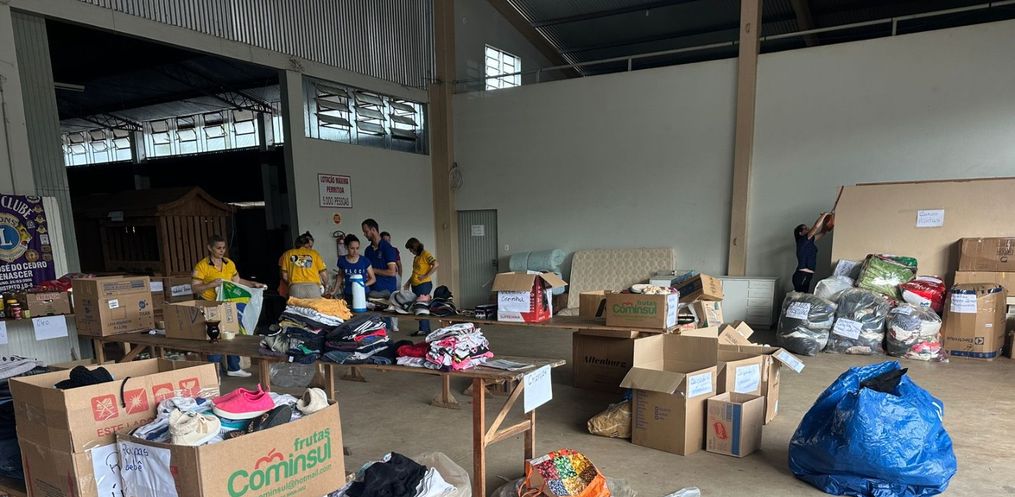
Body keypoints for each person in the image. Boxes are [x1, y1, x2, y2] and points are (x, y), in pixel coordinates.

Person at [191, 234, 266, 377]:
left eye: (224, 248)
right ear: (210, 248)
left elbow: (237, 281)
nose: (222, 251)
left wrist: (253, 284)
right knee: (214, 337)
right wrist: (211, 284)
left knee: (232, 333)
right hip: (211, 305)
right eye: (218, 248)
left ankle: (234, 368)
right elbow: (195, 288)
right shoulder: (202, 266)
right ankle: (214, 371)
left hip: (228, 304)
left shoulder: (229, 263)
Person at [404, 237, 438, 336]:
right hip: (415, 285)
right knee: (419, 307)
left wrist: (425, 276)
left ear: (414, 247)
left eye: (410, 249)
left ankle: (424, 330)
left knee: (422, 306)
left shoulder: (425, 254)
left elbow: (436, 264)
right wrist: (408, 282)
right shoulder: (417, 257)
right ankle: (423, 328)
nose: (410, 251)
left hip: (424, 285)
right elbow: (415, 272)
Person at [280, 231, 327, 299]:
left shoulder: (288, 254)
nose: (311, 248)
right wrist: (326, 284)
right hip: (313, 289)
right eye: (310, 246)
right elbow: (324, 274)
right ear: (306, 244)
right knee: (314, 306)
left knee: (296, 306)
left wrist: (291, 284)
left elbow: (284, 276)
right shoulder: (314, 253)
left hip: (295, 289)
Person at [793, 212, 832, 293]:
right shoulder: (802, 241)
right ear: (800, 233)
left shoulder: (809, 241)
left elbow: (823, 232)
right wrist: (824, 215)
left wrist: (827, 221)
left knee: (802, 297)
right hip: (802, 275)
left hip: (807, 275)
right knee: (800, 297)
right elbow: (816, 227)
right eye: (805, 228)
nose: (808, 229)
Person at [333, 234, 376, 301]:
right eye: (352, 248)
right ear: (346, 247)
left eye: (357, 248)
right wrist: (334, 291)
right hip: (349, 293)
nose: (355, 251)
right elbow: (340, 276)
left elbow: (373, 279)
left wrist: (363, 285)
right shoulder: (342, 260)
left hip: (363, 293)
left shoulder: (365, 260)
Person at [380, 231, 403, 331]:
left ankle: (395, 324)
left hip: (394, 277)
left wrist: (399, 277)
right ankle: (385, 324)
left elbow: (399, 265)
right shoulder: (378, 250)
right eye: (385, 240)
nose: (387, 242)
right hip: (383, 279)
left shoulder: (393, 250)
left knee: (395, 300)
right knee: (385, 301)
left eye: (389, 240)